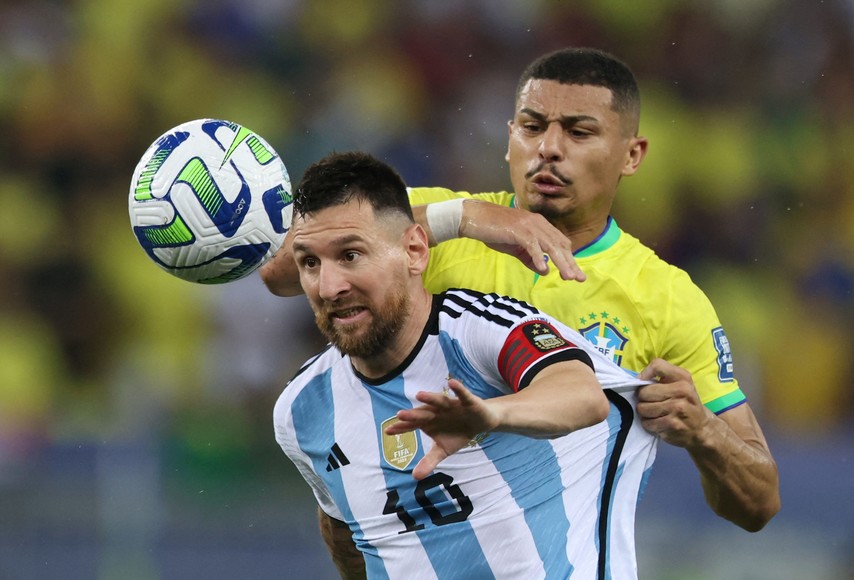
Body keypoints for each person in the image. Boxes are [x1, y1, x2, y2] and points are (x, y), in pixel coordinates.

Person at [262, 47, 780, 535]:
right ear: (510, 137)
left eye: (579, 132)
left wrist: (703, 432)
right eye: (532, 127)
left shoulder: (666, 298)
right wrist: (462, 218)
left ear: (632, 154)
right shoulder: (436, 224)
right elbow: (280, 269)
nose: (548, 148)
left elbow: (759, 504)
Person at [273, 151, 658, 579]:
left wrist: (491, 414)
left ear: (415, 251)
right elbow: (347, 536)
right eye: (310, 262)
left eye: (350, 256)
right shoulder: (299, 410)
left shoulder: (478, 329)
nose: (329, 287)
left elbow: (581, 394)